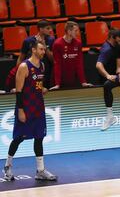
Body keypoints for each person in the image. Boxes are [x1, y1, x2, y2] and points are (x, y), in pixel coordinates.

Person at [3, 41, 57, 181]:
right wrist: (20, 111)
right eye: (41, 49)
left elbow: (37, 85)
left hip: (38, 108)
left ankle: (40, 170)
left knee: (39, 137)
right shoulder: (24, 66)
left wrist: (42, 89)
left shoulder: (43, 66)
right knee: (18, 138)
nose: (43, 52)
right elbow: (19, 91)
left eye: (44, 49)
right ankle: (7, 166)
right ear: (33, 50)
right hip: (25, 109)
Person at [50, 21, 92, 90]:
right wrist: (57, 84)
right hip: (61, 80)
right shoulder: (57, 44)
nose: (78, 33)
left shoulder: (78, 43)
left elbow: (79, 64)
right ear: (69, 31)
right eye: (75, 31)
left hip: (73, 79)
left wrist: (83, 82)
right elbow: (57, 64)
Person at [17, 20, 55, 88]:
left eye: (51, 28)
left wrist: (44, 46)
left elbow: (53, 60)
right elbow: (21, 58)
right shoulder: (28, 41)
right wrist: (18, 73)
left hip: (47, 72)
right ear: (41, 29)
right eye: (48, 28)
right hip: (31, 73)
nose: (51, 30)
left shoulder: (51, 40)